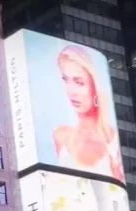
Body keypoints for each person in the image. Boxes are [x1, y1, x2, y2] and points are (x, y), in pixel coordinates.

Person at [52, 44, 123, 181]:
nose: (71, 92)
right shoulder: (60, 135)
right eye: (66, 80)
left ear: (94, 86)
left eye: (79, 83)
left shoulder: (112, 139)